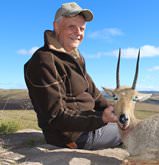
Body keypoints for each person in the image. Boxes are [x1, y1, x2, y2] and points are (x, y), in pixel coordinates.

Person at [24, 2, 121, 149]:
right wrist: (101, 117)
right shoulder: (43, 61)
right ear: (56, 27)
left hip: (90, 124)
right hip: (73, 136)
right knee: (136, 131)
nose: (78, 32)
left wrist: (114, 110)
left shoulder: (75, 57)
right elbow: (56, 116)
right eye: (71, 27)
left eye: (82, 28)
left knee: (131, 123)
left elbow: (94, 94)